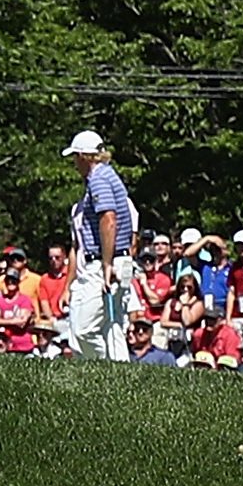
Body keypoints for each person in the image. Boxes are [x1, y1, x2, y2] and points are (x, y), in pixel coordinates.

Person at [64, 130, 138, 360]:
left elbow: (109, 219)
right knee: (111, 326)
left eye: (76, 157)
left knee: (82, 329)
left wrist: (106, 264)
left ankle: (100, 371)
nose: (75, 163)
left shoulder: (98, 179)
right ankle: (120, 379)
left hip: (106, 262)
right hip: (118, 258)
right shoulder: (109, 175)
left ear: (85, 157)